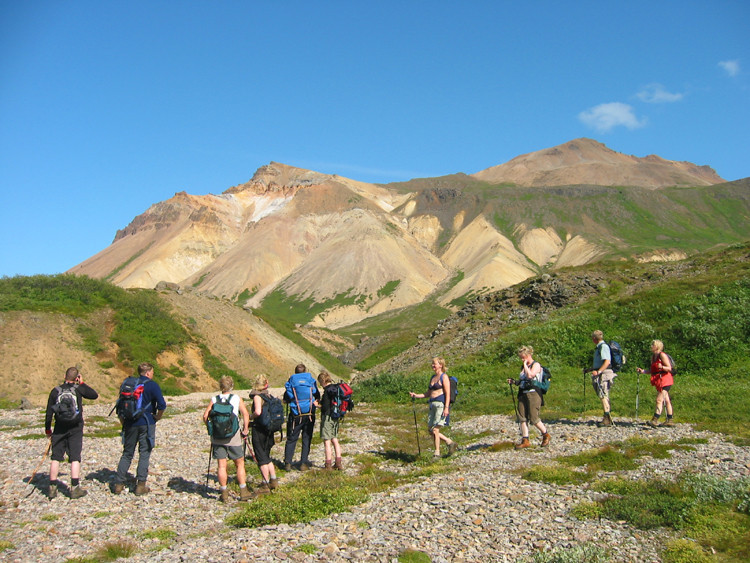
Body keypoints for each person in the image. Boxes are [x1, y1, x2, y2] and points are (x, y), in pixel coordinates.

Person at [44, 367, 98, 499]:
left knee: (56, 457)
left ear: (64, 376)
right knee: (75, 457)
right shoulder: (78, 389)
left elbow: (49, 412)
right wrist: (82, 383)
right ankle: (74, 488)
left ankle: (52, 487)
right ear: (77, 378)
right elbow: (94, 395)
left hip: (59, 427)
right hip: (75, 427)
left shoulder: (55, 391)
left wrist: (48, 429)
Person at [113, 362, 166, 495]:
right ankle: (140, 485)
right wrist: (157, 417)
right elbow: (162, 405)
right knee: (144, 452)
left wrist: (123, 422)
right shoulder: (152, 385)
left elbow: (120, 405)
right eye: (152, 372)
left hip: (129, 422)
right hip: (146, 422)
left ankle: (118, 484)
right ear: (148, 373)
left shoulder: (129, 383)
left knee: (127, 453)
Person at [202, 376, 252, 502]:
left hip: (217, 436)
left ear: (220, 386)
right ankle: (243, 490)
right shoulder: (236, 398)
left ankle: (223, 492)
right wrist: (245, 429)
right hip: (233, 435)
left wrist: (211, 428)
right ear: (232, 386)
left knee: (221, 465)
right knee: (239, 463)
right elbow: (245, 414)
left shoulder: (214, 399)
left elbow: (205, 416)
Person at [409, 357, 457, 458]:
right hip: (432, 405)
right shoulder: (433, 377)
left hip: (440, 405)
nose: (432, 365)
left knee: (435, 430)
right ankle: (449, 442)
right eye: (432, 364)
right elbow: (428, 393)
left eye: (434, 364)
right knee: (431, 430)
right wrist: (416, 395)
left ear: (440, 365)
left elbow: (447, 394)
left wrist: (446, 407)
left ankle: (437, 453)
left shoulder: (444, 377)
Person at [507, 346, 551, 449]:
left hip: (533, 393)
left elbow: (530, 375)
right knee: (522, 417)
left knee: (533, 417)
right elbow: (523, 379)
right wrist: (514, 382)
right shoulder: (523, 367)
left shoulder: (536, 365)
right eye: (521, 358)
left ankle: (545, 434)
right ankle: (525, 439)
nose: (522, 359)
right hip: (523, 393)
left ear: (528, 355)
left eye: (523, 357)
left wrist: (525, 365)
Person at [283, 364, 319, 471]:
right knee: (306, 438)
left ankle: (288, 463)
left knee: (292, 438)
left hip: (296, 414)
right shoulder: (311, 381)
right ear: (305, 371)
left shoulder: (291, 382)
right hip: (309, 413)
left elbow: (287, 397)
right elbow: (316, 394)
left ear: (295, 372)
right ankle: (303, 462)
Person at [248, 374, 279, 496]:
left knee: (261, 457)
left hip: (259, 429)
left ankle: (264, 484)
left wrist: (250, 417)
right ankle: (273, 480)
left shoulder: (258, 396)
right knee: (267, 455)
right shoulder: (269, 395)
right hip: (269, 429)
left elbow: (258, 412)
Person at [636, 340, 675, 427]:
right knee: (666, 400)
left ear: (657, 346)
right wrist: (643, 371)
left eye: (652, 344)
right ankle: (670, 419)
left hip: (665, 380)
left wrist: (662, 367)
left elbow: (669, 368)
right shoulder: (653, 357)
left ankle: (655, 419)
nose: (651, 346)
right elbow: (652, 370)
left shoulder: (662, 355)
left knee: (659, 399)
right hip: (659, 381)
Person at [318, 370, 344, 470]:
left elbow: (324, 407)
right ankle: (338, 462)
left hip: (328, 417)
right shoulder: (336, 388)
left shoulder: (327, 391)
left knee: (327, 441)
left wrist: (318, 405)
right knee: (335, 440)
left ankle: (328, 464)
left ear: (323, 381)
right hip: (335, 417)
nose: (321, 385)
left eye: (320, 383)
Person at [590, 330, 616, 427]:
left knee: (603, 395)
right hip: (601, 373)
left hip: (604, 374)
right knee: (603, 395)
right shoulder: (600, 347)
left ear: (594, 339)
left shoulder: (603, 347)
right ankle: (607, 416)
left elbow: (607, 362)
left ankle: (607, 418)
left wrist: (599, 371)